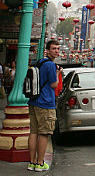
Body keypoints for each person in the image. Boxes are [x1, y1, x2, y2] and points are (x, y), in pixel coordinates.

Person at [28, 39, 61, 172]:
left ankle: (32, 162)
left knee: (33, 132)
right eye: (54, 48)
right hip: (45, 102)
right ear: (47, 50)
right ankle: (40, 163)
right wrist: (58, 74)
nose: (56, 51)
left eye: (58, 48)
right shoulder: (51, 65)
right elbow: (53, 84)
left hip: (34, 100)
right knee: (44, 133)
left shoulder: (39, 62)